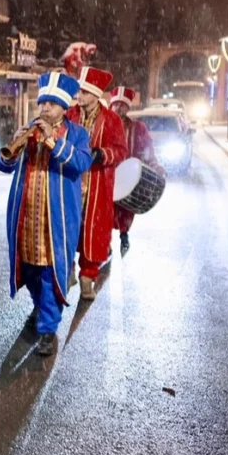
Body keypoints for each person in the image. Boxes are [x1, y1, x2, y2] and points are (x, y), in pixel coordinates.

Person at [0, 72, 93, 357]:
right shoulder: (29, 129)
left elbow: (82, 162)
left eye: (51, 104)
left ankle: (48, 329)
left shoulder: (77, 134)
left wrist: (53, 140)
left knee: (51, 272)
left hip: (56, 220)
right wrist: (13, 148)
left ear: (64, 107)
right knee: (29, 270)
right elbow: (4, 166)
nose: (45, 108)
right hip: (27, 219)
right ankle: (40, 307)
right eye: (42, 103)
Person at [66, 65, 128, 300]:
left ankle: (88, 277)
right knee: (67, 227)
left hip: (98, 184)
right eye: (79, 91)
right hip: (71, 182)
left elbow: (121, 151)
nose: (79, 96)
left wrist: (102, 154)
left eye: (84, 92)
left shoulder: (111, 120)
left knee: (94, 232)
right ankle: (68, 270)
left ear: (95, 94)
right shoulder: (69, 115)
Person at [110, 87, 163, 255]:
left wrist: (154, 165)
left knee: (125, 209)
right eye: (116, 104)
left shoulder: (138, 128)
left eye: (122, 105)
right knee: (104, 210)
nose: (118, 108)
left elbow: (147, 149)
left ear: (128, 108)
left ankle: (124, 235)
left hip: (127, 178)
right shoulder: (103, 125)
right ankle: (104, 242)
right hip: (106, 176)